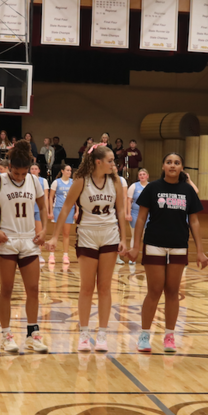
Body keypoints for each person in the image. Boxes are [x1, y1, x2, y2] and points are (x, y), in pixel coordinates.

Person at [48, 144, 129, 352]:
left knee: (104, 287)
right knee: (86, 287)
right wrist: (55, 235)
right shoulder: (81, 181)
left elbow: (120, 210)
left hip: (110, 234)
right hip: (87, 236)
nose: (114, 164)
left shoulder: (116, 182)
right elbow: (66, 207)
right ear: (98, 162)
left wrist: (124, 238)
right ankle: (84, 333)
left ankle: (102, 333)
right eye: (110, 161)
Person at [128, 152, 208, 353]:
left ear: (182, 168)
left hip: (178, 245)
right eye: (169, 162)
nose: (172, 165)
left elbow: (195, 221)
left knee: (173, 291)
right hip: (155, 243)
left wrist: (200, 251)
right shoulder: (153, 188)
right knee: (154, 290)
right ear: (163, 166)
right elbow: (140, 219)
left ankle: (169, 336)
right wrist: (136, 246)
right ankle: (145, 334)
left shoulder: (188, 191)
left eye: (177, 163)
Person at [0, 141, 47, 352]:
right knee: (7, 289)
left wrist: (45, 230)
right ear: (9, 166)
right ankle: (6, 335)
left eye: (23, 173)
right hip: (7, 240)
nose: (20, 176)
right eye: (16, 172)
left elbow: (42, 206)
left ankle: (32, 334)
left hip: (29, 239)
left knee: (33, 290)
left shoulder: (34, 180)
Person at [48, 165, 75, 266]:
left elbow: (75, 198)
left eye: (70, 170)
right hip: (58, 209)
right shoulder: (56, 182)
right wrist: (50, 211)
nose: (69, 172)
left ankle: (66, 255)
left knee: (66, 233)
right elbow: (50, 197)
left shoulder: (73, 182)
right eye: (67, 170)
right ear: (62, 171)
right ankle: (51, 254)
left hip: (69, 210)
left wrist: (76, 211)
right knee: (56, 233)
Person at [30, 163, 51, 263]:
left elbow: (46, 197)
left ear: (39, 170)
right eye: (32, 169)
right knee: (29, 231)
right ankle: (29, 252)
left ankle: (38, 253)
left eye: (36, 169)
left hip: (39, 209)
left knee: (39, 231)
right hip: (29, 209)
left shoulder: (44, 181)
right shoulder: (27, 179)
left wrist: (46, 209)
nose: (34, 170)